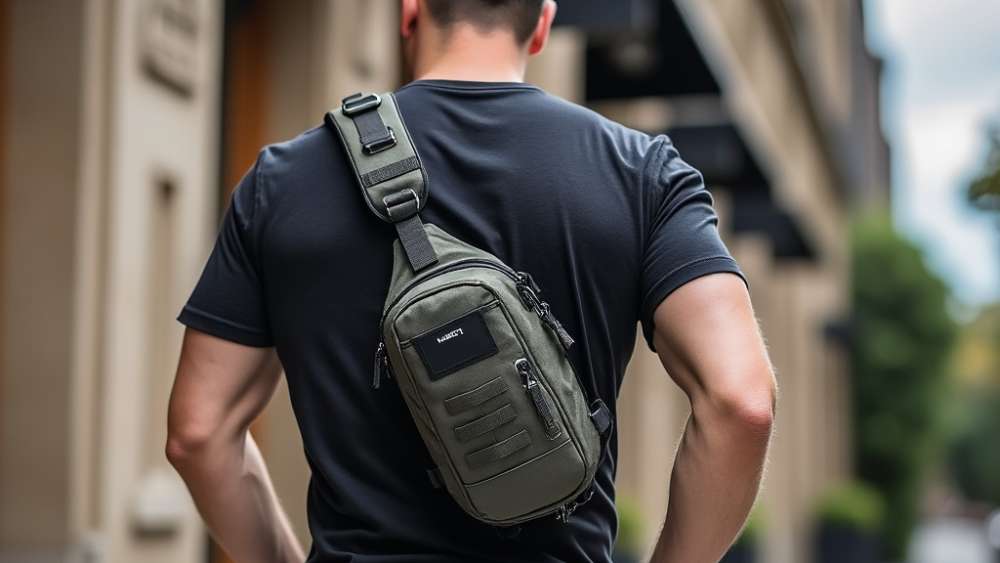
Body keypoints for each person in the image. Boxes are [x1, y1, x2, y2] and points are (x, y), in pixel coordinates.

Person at [166, 1, 777, 562]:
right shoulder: (642, 174)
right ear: (541, 23)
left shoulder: (283, 182)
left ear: (409, 12)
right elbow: (741, 403)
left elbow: (199, 434)